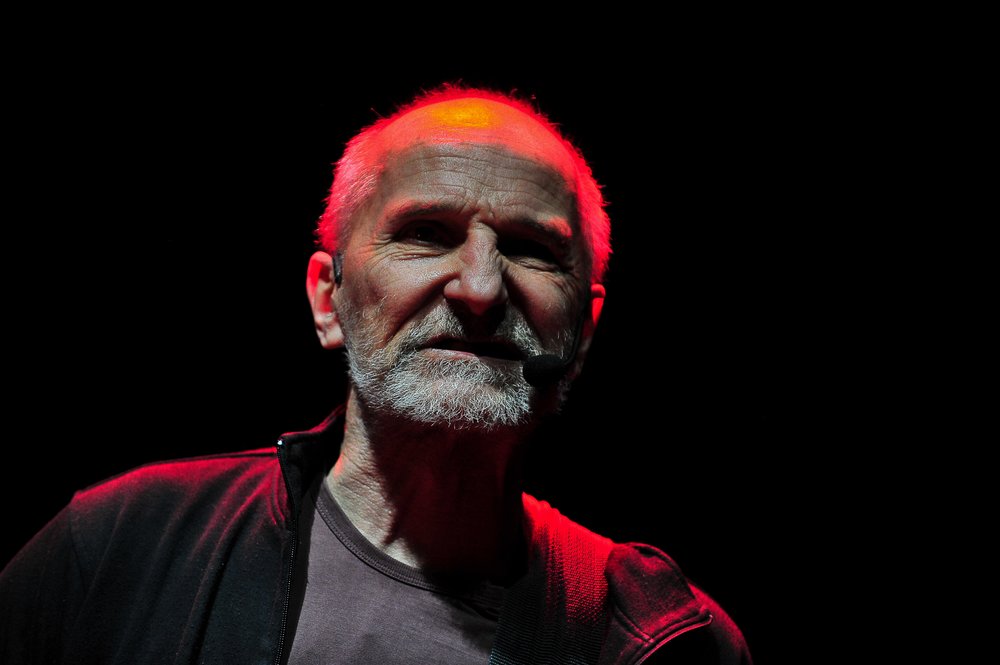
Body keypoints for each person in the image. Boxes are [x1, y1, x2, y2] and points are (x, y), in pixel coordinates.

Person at [0, 84, 752, 664]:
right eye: (426, 234)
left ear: (583, 329)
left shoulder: (667, 640)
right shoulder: (122, 546)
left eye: (530, 249)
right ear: (328, 300)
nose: (480, 289)